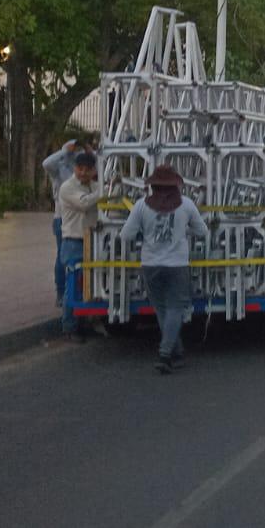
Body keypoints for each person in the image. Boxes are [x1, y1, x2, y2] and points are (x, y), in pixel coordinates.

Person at [120, 164, 207, 374]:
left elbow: (126, 235)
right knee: (176, 308)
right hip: (177, 264)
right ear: (176, 185)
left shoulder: (141, 206)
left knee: (161, 309)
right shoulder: (186, 205)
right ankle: (165, 353)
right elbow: (202, 231)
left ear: (153, 186)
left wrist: (145, 234)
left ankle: (176, 352)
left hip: (151, 264)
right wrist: (184, 230)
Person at [56, 151, 102, 343]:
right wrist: (105, 192)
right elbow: (84, 203)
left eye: (87, 169)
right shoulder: (67, 187)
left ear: (93, 171)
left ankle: (85, 324)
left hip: (93, 241)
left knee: (89, 286)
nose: (83, 173)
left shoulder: (94, 185)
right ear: (75, 168)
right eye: (80, 169)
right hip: (73, 242)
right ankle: (69, 327)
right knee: (72, 287)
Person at [42, 139, 81, 304]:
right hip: (61, 218)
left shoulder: (78, 165)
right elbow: (46, 163)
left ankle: (76, 290)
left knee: (78, 256)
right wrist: (65, 150)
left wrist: (86, 148)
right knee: (62, 255)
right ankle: (61, 292)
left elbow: (96, 162)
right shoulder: (59, 166)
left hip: (79, 218)